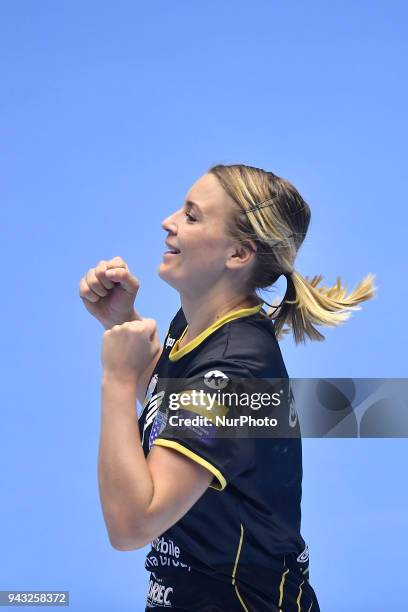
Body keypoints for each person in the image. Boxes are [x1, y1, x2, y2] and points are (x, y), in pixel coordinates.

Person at [79, 164, 377, 611]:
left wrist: (118, 380)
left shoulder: (234, 369)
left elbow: (131, 525)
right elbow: (181, 408)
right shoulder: (205, 324)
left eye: (192, 216)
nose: (169, 222)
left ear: (238, 253)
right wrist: (123, 322)